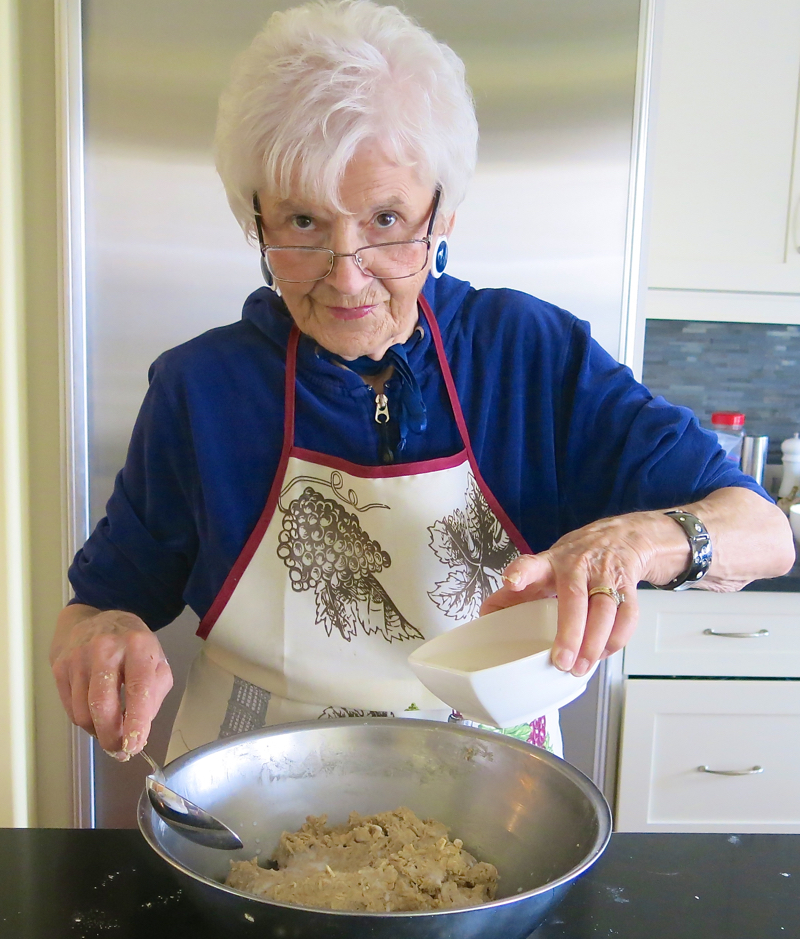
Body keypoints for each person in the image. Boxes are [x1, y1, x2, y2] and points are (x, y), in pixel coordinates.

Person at [51, 0, 794, 764]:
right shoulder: (199, 389)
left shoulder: (528, 354)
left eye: (385, 218)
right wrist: (99, 638)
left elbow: (766, 533)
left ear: (442, 215)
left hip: (496, 808)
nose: (347, 276)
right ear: (257, 219)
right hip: (253, 810)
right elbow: (95, 608)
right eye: (302, 222)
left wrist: (635, 541)